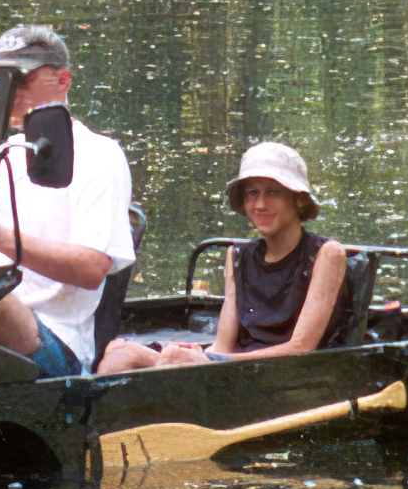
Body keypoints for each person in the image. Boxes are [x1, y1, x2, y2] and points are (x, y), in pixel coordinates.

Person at [0, 25, 136, 378]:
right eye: (0, 80)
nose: (7, 92)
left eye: (20, 80)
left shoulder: (99, 155)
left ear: (63, 81)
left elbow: (92, 268)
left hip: (54, 340)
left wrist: (1, 238)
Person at [97, 142, 350, 375]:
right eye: (252, 193)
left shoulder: (326, 253)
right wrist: (200, 356)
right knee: (118, 351)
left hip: (286, 379)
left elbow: (301, 349)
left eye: (273, 192)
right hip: (238, 375)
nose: (260, 204)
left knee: (145, 356)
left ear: (297, 199)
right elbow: (223, 346)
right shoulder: (238, 256)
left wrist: (208, 362)